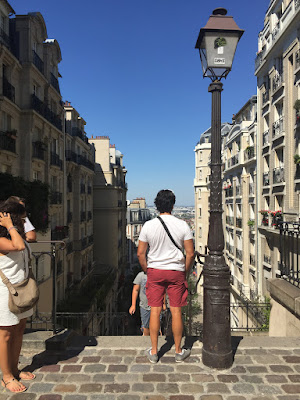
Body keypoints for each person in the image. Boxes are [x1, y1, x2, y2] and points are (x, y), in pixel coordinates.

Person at [137, 189, 194, 363]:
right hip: (176, 271)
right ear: (173, 205)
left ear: (157, 205)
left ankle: (154, 352)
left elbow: (140, 253)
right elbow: (190, 253)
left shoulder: (148, 225)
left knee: (154, 310)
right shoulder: (182, 225)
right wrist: (184, 272)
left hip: (155, 271)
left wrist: (147, 270)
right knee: (176, 311)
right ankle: (178, 351)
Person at [0, 200, 36, 393]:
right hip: (5, 292)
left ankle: (14, 368)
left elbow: (27, 239)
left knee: (19, 328)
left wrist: (14, 225)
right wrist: (10, 226)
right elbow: (19, 246)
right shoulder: (3, 239)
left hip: (21, 289)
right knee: (5, 334)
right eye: (22, 218)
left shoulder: (17, 234)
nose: (25, 221)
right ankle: (6, 377)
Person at [129, 271, 151, 335]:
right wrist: (133, 305)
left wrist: (163, 303)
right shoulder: (141, 275)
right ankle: (146, 340)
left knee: (156, 326)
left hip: (156, 306)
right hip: (144, 306)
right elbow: (135, 290)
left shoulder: (158, 273)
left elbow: (163, 289)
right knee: (145, 326)